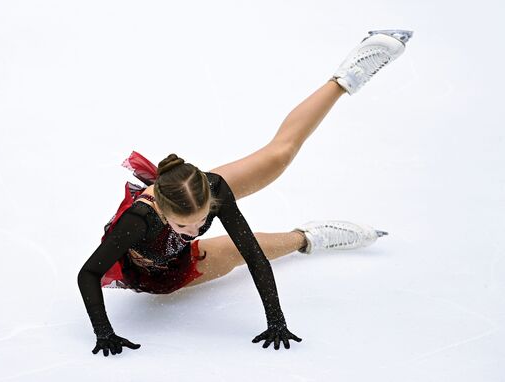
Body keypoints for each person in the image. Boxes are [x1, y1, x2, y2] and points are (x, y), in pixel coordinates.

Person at [77, 29, 413, 356]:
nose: (194, 233)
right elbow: (89, 273)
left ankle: (346, 77)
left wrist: (275, 322)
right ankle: (312, 236)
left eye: (200, 222)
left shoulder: (210, 190)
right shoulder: (139, 221)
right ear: (164, 213)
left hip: (183, 194)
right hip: (159, 273)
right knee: (266, 246)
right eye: (184, 229)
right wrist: (104, 334)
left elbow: (252, 254)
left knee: (277, 157)